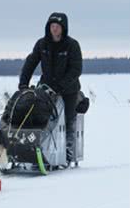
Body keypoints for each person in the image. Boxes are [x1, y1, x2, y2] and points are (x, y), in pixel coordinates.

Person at [18, 12, 83, 163]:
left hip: (68, 89)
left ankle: (68, 150)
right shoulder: (42, 44)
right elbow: (30, 63)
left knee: (68, 118)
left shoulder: (72, 45)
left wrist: (61, 86)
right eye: (52, 26)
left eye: (57, 26)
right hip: (46, 87)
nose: (54, 29)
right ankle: (38, 147)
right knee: (39, 116)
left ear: (63, 28)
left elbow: (76, 69)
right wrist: (23, 83)